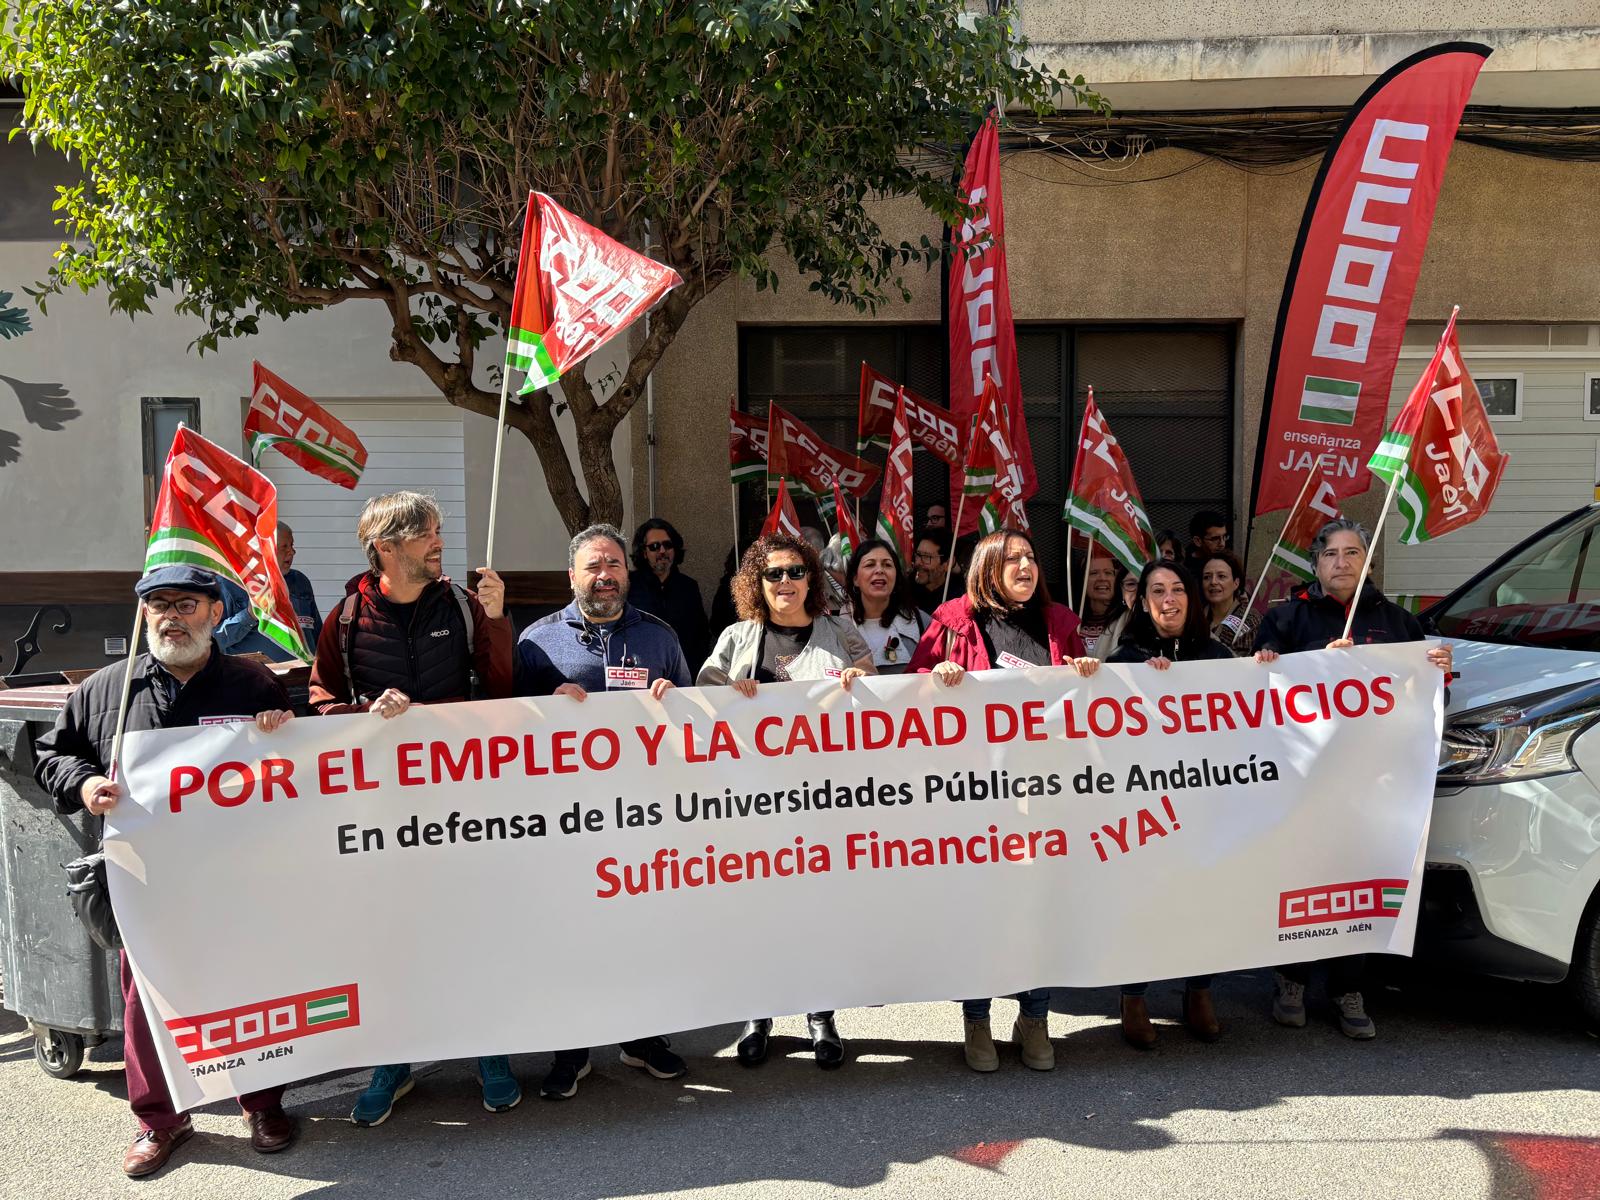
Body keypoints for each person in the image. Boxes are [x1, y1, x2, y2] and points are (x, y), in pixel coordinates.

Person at [33, 566, 300, 1178]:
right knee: (145, 998)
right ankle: (160, 1120)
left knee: (248, 987)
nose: (170, 616)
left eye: (185, 603)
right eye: (157, 605)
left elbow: (299, 758)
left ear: (213, 613)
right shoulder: (108, 689)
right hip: (145, 877)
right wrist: (85, 782)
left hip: (238, 873)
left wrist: (281, 731)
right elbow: (54, 754)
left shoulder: (249, 681)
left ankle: (261, 1104)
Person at [306, 490, 519, 1123]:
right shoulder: (346, 617)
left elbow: (502, 692)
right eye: (428, 534)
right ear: (387, 547)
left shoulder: (462, 603)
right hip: (382, 813)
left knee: (472, 929)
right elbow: (319, 701)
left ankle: (490, 1051)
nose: (439, 543)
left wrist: (500, 619)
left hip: (465, 805)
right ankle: (392, 1059)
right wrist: (362, 716)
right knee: (391, 937)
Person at [1253, 517, 1453, 1041]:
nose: (1342, 563)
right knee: (1299, 881)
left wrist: (1435, 672)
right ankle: (1290, 980)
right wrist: (1289, 666)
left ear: (1366, 561)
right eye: (1331, 554)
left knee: (1357, 884)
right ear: (1315, 564)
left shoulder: (1401, 624)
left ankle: (1348, 987)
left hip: (1373, 784)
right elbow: (1255, 697)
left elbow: (1433, 703)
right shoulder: (1285, 618)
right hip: (1303, 782)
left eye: (1352, 553)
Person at [907, 528, 1096, 1073]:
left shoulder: (1059, 622)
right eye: (1012, 559)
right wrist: (933, 677)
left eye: (1031, 558)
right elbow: (909, 696)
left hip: (1044, 794)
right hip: (976, 796)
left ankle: (1034, 1017)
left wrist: (1086, 674)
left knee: (1038, 907)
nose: (1025, 567)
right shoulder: (951, 621)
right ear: (987, 567)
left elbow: (1082, 707)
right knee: (983, 911)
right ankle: (977, 1018)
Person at [516, 524, 692, 1099]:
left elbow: (693, 724)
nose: (605, 575)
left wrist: (674, 702)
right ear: (572, 576)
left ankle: (641, 1039)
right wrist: (545, 708)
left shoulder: (659, 637)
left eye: (613, 564)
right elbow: (503, 731)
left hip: (644, 817)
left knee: (642, 932)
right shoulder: (537, 641)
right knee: (575, 933)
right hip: (568, 821)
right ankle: (573, 1048)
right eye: (593, 566)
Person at [698, 532, 875, 1069]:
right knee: (760, 911)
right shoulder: (736, 637)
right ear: (757, 582)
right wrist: (730, 692)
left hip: (824, 801)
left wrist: (857, 681)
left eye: (796, 572)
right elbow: (704, 696)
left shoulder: (841, 631)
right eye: (773, 574)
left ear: (811, 579)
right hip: (754, 803)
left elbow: (878, 694)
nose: (785, 583)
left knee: (818, 910)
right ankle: (758, 1013)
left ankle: (821, 1015)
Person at [1107, 560, 1233, 1047]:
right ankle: (1133, 996)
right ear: (1141, 602)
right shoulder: (1125, 658)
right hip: (1144, 806)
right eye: (1157, 590)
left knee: (1201, 898)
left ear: (1192, 598)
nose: (1168, 598)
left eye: (1178, 589)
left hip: (1204, 802)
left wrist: (1266, 667)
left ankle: (1198, 989)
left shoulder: (1219, 656)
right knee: (1142, 900)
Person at [211, 524, 322, 663]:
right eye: (284, 547)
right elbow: (213, 641)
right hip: (251, 680)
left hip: (300, 680)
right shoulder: (229, 584)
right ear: (263, 550)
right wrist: (249, 615)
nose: (292, 552)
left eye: (292, 545)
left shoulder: (300, 581)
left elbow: (318, 635)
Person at [628, 518, 711, 670]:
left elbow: (701, 633)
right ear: (644, 553)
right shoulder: (629, 585)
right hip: (641, 671)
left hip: (682, 673)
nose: (662, 551)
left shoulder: (689, 586)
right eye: (654, 546)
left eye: (667, 545)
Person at [846, 538, 928, 673]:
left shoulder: (922, 622)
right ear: (855, 579)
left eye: (887, 565)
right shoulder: (836, 629)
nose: (879, 570)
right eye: (870, 565)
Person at [1201, 549, 1260, 655]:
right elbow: (1178, 649)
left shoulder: (1251, 619)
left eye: (1221, 576)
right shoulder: (1193, 617)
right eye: (1207, 577)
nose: (1213, 582)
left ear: (1236, 583)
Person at [1075, 553, 1126, 654]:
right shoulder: (1069, 621)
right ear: (1082, 580)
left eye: (1108, 573)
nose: (1102, 578)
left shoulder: (1128, 620)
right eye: (1093, 573)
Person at [1093, 568, 1144, 661]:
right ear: (1121, 591)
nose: (1139, 591)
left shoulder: (1172, 624)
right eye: (1131, 584)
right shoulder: (1111, 627)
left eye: (1145, 584)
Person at [909, 528, 955, 615]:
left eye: (927, 557)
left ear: (948, 563)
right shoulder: (903, 592)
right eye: (918, 555)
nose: (918, 562)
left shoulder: (957, 602)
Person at [1184, 509, 1229, 578]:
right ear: (1198, 541)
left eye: (1224, 537)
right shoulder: (1184, 570)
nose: (1222, 544)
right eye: (1215, 539)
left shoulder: (1229, 561)